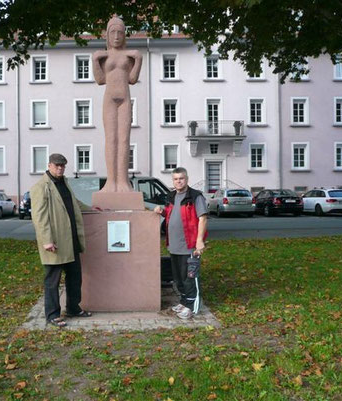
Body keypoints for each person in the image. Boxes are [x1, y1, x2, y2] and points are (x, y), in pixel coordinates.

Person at [31, 153, 93, 327]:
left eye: (63, 166)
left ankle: (73, 307)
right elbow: (39, 217)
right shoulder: (41, 186)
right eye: (57, 165)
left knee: (75, 276)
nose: (60, 168)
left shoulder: (64, 182)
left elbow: (74, 203)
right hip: (55, 242)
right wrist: (47, 240)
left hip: (71, 239)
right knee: (52, 280)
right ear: (49, 165)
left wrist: (92, 209)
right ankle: (52, 314)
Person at [92, 16, 142, 192]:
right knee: (110, 139)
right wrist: (95, 60)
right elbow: (99, 80)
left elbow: (133, 79)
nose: (116, 36)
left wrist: (138, 60)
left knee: (124, 140)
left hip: (125, 100)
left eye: (120, 32)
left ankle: (123, 181)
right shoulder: (103, 56)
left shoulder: (129, 56)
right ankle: (111, 182)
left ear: (124, 35)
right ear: (107, 34)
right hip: (109, 100)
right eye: (112, 32)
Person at [154, 167, 208, 319]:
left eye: (181, 178)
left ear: (187, 179)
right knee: (178, 278)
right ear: (173, 181)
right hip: (174, 246)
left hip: (190, 246)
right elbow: (172, 214)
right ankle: (184, 302)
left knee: (190, 278)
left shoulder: (195, 196)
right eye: (176, 179)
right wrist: (161, 211)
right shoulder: (171, 196)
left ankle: (193, 307)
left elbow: (203, 219)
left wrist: (199, 241)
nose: (178, 181)